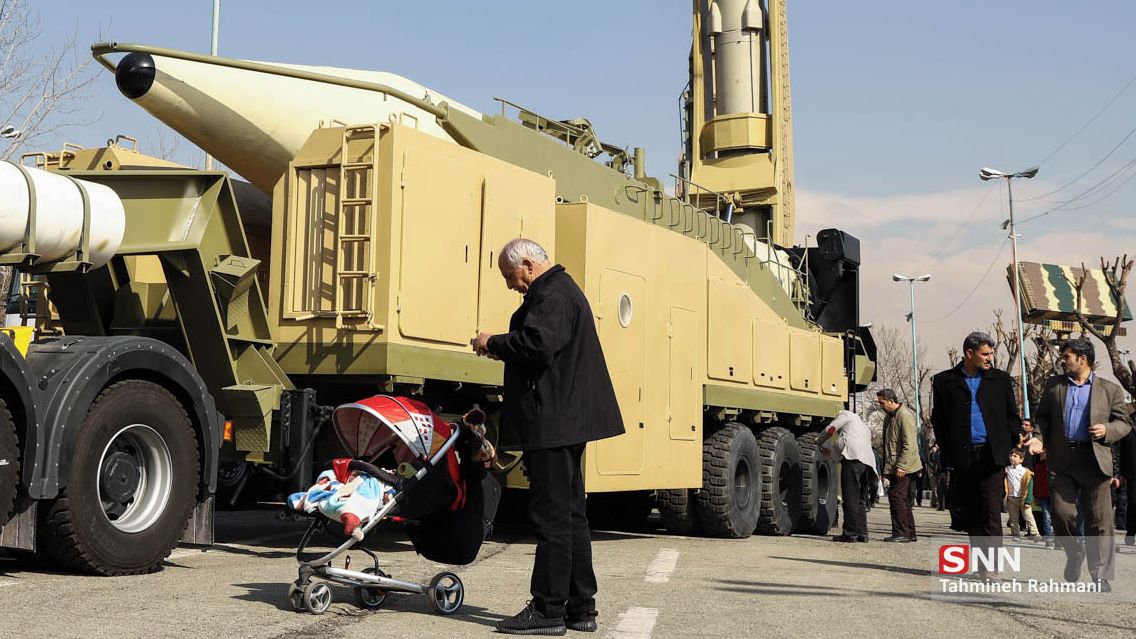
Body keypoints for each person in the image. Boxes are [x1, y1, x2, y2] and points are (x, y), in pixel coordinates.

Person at [472, 238, 624, 636]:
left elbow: (538, 345)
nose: (511, 285)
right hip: (565, 420)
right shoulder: (560, 290)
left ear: (527, 263)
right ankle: (580, 608)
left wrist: (492, 343)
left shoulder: (553, 294)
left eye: (511, 276)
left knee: (552, 518)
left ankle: (548, 609)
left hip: (554, 422)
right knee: (572, 517)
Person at [1032, 338, 1132, 592]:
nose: (1062, 360)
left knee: (1100, 521)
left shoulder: (1110, 390)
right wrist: (1038, 437)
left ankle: (1101, 576)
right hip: (1062, 460)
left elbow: (1124, 423)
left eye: (1067, 356)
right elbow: (1043, 417)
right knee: (1062, 514)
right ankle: (1075, 554)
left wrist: (1107, 429)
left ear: (1082, 359)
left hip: (1095, 461)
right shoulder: (1054, 386)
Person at [930, 332, 1023, 579]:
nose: (990, 359)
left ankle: (992, 566)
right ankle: (981, 565)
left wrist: (1011, 443)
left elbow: (1011, 416)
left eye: (992, 354)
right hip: (963, 456)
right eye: (985, 354)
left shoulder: (1000, 380)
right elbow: (938, 420)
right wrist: (946, 448)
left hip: (992, 456)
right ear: (969, 354)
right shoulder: (944, 381)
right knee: (972, 512)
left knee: (991, 510)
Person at [818, 410, 876, 543]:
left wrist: (819, 440)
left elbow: (830, 429)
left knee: (850, 498)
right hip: (867, 463)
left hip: (853, 461)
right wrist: (831, 451)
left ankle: (849, 533)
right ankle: (862, 533)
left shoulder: (845, 415)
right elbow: (848, 441)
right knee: (861, 499)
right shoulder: (862, 425)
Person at [878, 389, 922, 542]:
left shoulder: (904, 416)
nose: (880, 406)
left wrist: (902, 466)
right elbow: (887, 445)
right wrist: (886, 469)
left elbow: (909, 444)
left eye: (882, 403)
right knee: (901, 499)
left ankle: (902, 533)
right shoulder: (889, 417)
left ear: (891, 401)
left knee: (897, 498)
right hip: (896, 466)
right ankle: (909, 533)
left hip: (905, 466)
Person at [1004, 449, 1039, 539]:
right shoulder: (1007, 470)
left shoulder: (1025, 472)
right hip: (1011, 497)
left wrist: (1028, 500)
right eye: (1011, 455)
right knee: (1013, 518)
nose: (1012, 457)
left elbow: (1029, 486)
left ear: (1021, 459)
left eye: (1015, 456)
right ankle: (1015, 534)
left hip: (1023, 498)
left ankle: (1035, 533)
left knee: (1028, 516)